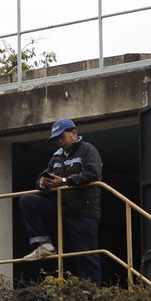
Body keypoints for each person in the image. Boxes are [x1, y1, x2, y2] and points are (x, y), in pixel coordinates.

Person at [18, 118, 103, 285]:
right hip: (60, 207)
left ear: (74, 133)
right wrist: (42, 183)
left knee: (86, 255)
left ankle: (92, 296)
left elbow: (93, 174)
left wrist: (64, 181)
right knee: (28, 200)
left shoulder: (87, 150)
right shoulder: (56, 157)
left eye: (61, 136)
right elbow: (44, 175)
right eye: (56, 138)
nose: (59, 141)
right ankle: (43, 246)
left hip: (82, 211)